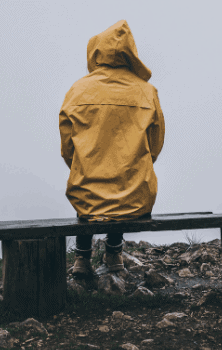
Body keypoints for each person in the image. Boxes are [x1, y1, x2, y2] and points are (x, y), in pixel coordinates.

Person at [59, 20, 165, 279]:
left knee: (88, 184)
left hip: (86, 194)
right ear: (131, 52)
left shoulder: (77, 90)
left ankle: (82, 260)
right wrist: (134, 163)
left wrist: (85, 164)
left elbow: (67, 148)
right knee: (124, 183)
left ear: (96, 51)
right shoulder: (147, 92)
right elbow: (156, 144)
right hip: (135, 197)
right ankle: (114, 255)